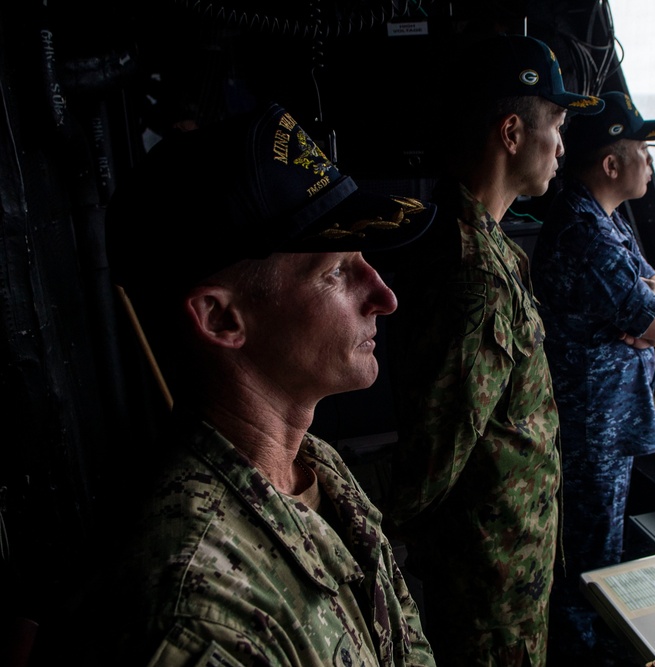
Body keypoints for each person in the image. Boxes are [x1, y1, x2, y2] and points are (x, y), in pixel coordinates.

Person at [92, 101, 438, 666]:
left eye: (363, 260)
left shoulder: (315, 464)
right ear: (222, 319)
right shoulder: (198, 615)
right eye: (333, 271)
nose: (384, 296)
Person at [384, 35, 604, 666]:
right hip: (488, 584)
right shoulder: (475, 276)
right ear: (513, 132)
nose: (563, 146)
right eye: (556, 125)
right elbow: (428, 464)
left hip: (510, 561)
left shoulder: (492, 249)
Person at [529, 91, 655, 665]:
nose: (650, 162)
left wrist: (650, 312)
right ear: (611, 164)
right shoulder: (585, 233)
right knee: (588, 569)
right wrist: (649, 315)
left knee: (598, 557)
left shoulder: (604, 221)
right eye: (642, 150)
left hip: (607, 427)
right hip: (591, 434)